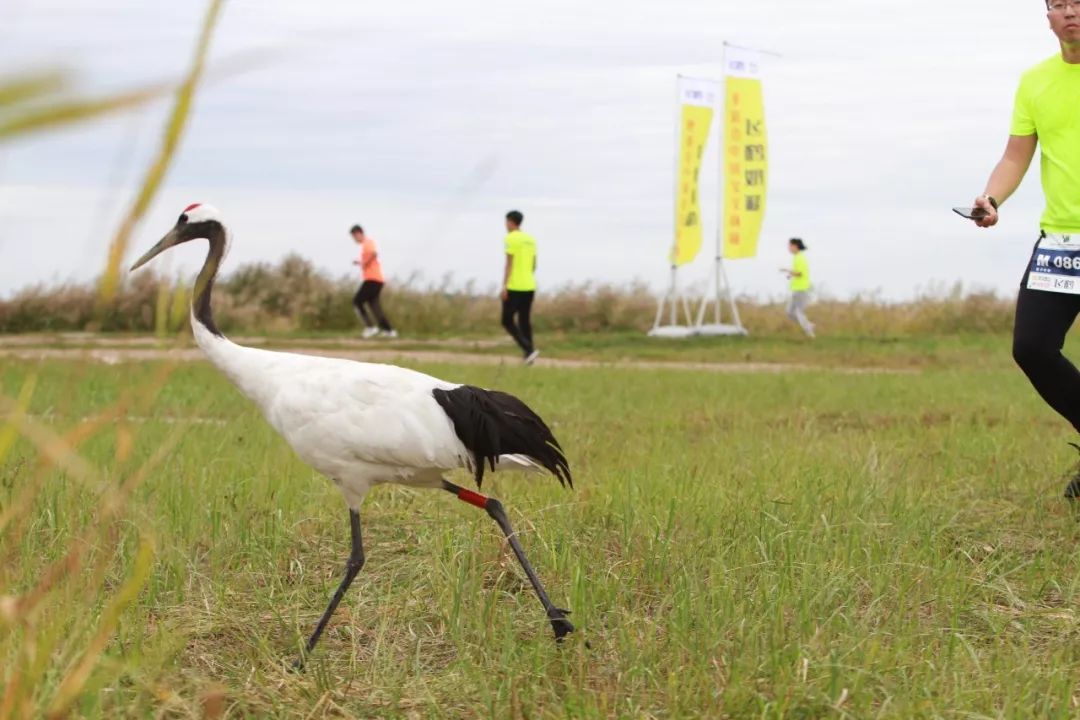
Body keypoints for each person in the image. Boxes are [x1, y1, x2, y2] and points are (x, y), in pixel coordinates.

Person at [966, 0, 1080, 496]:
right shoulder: (1035, 82)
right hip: (1061, 241)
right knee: (1031, 346)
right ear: (1048, 16)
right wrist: (992, 197)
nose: (1071, 11)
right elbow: (1015, 157)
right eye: (1060, 3)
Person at [501, 210, 540, 364]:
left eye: (506, 222)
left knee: (507, 320)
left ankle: (529, 349)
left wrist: (504, 286)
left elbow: (509, 263)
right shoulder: (531, 239)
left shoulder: (510, 238)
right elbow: (534, 264)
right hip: (529, 285)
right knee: (524, 321)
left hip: (514, 286)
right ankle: (529, 356)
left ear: (511, 222)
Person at [350, 225, 397, 339]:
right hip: (377, 279)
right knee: (374, 306)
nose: (354, 240)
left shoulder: (367, 243)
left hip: (372, 279)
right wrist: (360, 262)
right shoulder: (365, 245)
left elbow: (373, 253)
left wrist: (364, 263)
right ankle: (389, 331)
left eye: (354, 237)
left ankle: (370, 327)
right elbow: (369, 258)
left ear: (358, 234)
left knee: (357, 301)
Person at [782, 238, 815, 338]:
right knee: (789, 312)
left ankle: (809, 332)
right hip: (796, 289)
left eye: (790, 246)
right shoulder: (796, 258)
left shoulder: (800, 258)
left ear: (795, 246)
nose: (788, 248)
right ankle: (808, 325)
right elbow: (798, 273)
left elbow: (799, 273)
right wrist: (790, 275)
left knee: (799, 311)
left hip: (801, 289)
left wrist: (787, 271)